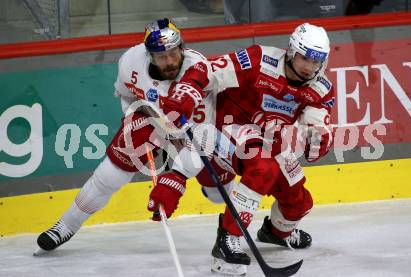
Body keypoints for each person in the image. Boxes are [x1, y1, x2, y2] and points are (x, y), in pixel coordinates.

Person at [148, 22, 335, 275]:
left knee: (299, 202)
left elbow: (317, 122)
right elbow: (207, 69)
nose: (310, 67)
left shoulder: (321, 87)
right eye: (305, 59)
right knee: (262, 168)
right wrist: (187, 93)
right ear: (291, 50)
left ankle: (275, 233)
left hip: (271, 140)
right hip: (232, 126)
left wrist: (319, 139)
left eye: (317, 62)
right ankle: (227, 239)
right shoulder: (260, 60)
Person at [34, 18, 213, 255]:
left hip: (198, 132)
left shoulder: (200, 70)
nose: (169, 61)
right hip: (154, 121)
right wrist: (135, 116)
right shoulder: (131, 61)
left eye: (173, 53)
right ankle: (66, 225)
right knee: (110, 173)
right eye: (161, 56)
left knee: (217, 194)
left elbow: (206, 138)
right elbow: (127, 96)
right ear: (149, 55)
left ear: (182, 47)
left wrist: (174, 180)